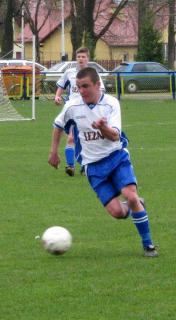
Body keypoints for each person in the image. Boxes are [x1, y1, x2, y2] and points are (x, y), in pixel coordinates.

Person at [49, 67, 158, 258]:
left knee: (130, 196)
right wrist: (54, 153)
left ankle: (148, 245)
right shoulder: (72, 107)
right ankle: (137, 206)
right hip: (93, 167)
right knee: (118, 212)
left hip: (116, 158)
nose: (82, 90)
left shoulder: (110, 104)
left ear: (98, 85)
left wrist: (103, 127)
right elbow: (58, 126)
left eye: (86, 86)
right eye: (79, 87)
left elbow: (115, 136)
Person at [54, 47, 105, 177]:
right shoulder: (69, 73)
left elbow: (101, 90)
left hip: (87, 110)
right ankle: (70, 166)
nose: (81, 59)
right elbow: (61, 86)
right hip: (71, 110)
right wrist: (57, 96)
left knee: (85, 138)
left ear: (88, 58)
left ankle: (84, 166)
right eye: (79, 57)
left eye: (83, 57)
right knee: (70, 137)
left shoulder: (94, 74)